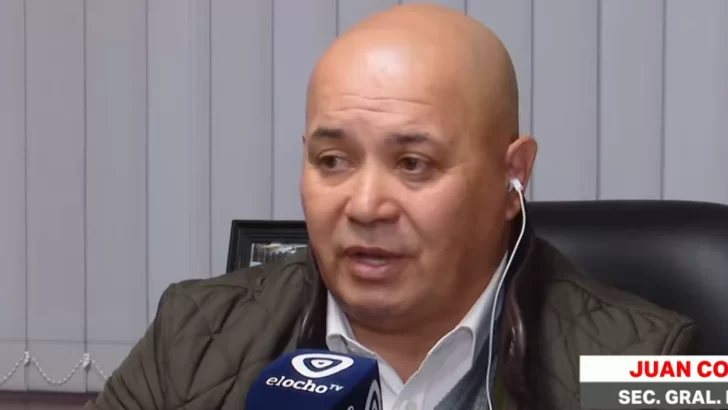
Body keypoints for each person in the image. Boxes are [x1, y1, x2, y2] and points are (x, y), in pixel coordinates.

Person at [85, 4, 696, 410]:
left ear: (513, 174)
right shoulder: (190, 336)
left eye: (412, 164)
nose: (366, 205)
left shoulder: (650, 363)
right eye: (332, 160)